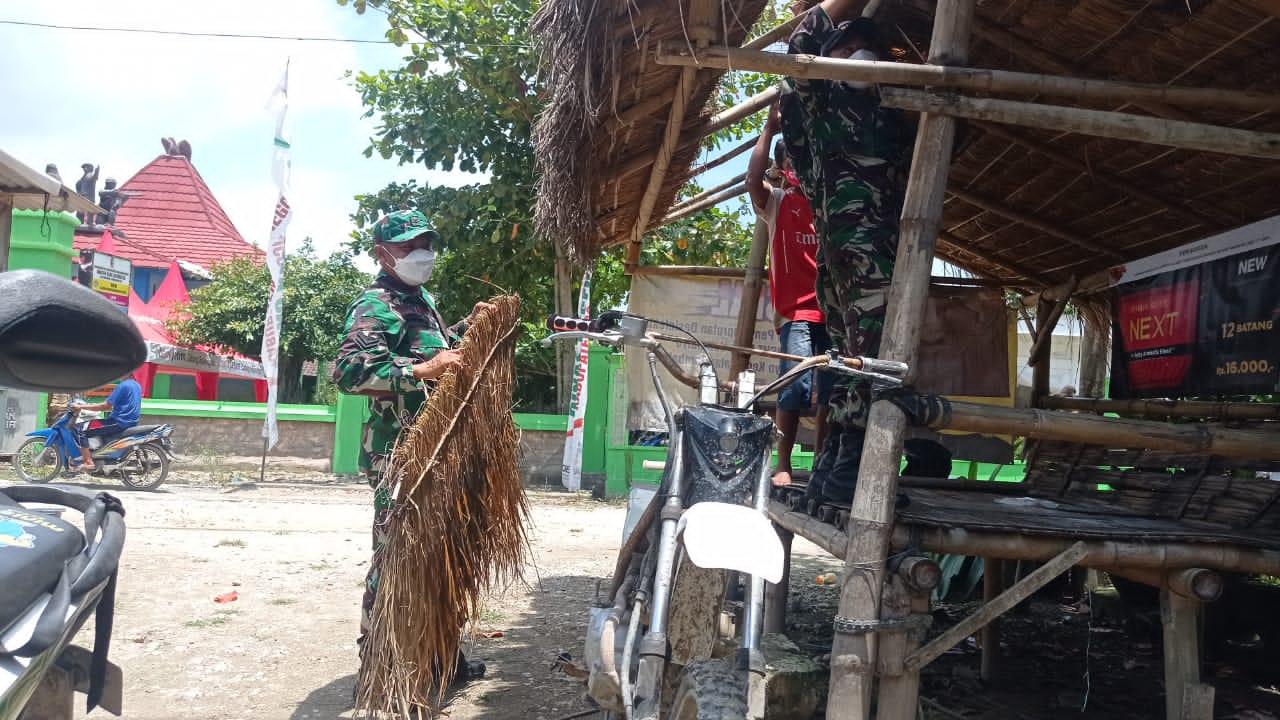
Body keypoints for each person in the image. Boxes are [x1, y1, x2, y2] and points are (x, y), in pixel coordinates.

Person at [331, 208, 488, 685]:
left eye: (426, 244)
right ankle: (379, 667)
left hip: (440, 449)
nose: (422, 254)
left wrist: (465, 330)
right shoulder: (375, 303)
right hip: (399, 450)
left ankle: (441, 658)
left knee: (444, 555)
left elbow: (431, 352)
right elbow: (349, 372)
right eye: (408, 246)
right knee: (398, 554)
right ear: (383, 253)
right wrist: (420, 372)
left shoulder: (421, 300)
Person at [778, 0, 916, 504]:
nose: (863, 57)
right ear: (831, 55)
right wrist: (828, 10)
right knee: (868, 359)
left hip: (863, 253)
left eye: (870, 48)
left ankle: (836, 473)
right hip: (854, 255)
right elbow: (798, 61)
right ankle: (849, 472)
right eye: (849, 47)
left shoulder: (886, 113)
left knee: (851, 358)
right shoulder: (818, 105)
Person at [746, 102, 833, 488]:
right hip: (796, 313)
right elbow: (752, 181)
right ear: (781, 168)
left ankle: (819, 464)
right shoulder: (778, 203)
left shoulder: (828, 203)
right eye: (792, 161)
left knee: (829, 391)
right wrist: (768, 128)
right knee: (795, 386)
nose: (799, 167)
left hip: (831, 312)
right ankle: (783, 463)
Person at [70, 375, 142, 471]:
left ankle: (88, 462)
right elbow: (124, 404)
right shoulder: (136, 385)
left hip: (118, 422)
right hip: (129, 421)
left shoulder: (122, 386)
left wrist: (81, 407)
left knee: (78, 428)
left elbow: (105, 406)